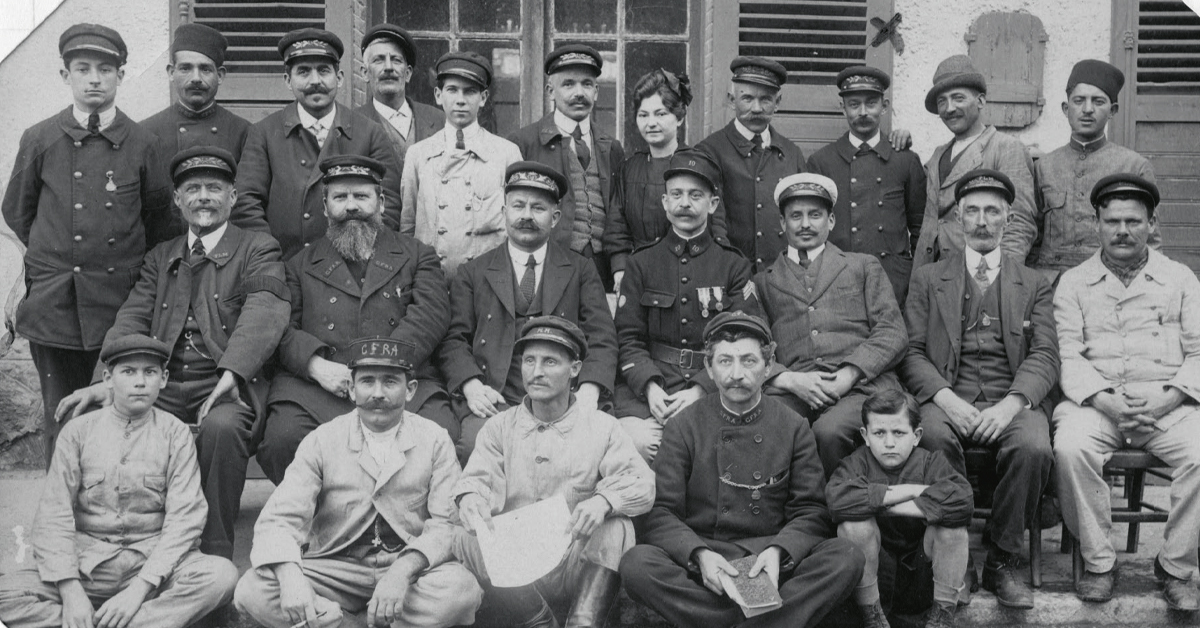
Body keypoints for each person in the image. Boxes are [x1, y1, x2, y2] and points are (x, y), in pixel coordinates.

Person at [56, 146, 290, 559]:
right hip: (161, 383)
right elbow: (131, 318)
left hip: (224, 384)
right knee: (89, 417)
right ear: (178, 201)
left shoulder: (258, 248)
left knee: (221, 427)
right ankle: (109, 548)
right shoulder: (161, 256)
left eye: (214, 189)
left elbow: (265, 312)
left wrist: (232, 374)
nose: (204, 197)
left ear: (232, 198)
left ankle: (213, 554)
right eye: (193, 189)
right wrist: (104, 382)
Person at [620, 310, 865, 628]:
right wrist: (700, 556)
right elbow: (663, 513)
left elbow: (811, 511)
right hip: (706, 561)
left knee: (846, 556)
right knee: (637, 564)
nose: (737, 374)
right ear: (708, 367)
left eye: (749, 361)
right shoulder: (684, 426)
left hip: (769, 559)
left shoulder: (793, 426)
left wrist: (779, 552)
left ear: (768, 365)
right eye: (724, 361)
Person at [2, 23, 171, 468]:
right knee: (61, 412)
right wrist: (57, 258)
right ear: (65, 76)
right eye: (83, 69)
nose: (94, 78)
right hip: (54, 305)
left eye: (105, 69)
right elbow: (18, 212)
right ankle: (63, 516)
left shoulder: (143, 143)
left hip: (119, 305)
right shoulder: (40, 139)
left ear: (121, 75)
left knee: (121, 411)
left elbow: (156, 219)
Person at [235, 337, 483, 628]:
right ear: (351, 389)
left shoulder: (434, 439)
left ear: (410, 390)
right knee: (253, 589)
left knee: (462, 590)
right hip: (335, 569)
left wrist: (403, 571)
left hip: (406, 569)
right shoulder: (323, 439)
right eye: (367, 382)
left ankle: (335, 621)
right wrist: (291, 578)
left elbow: (447, 524)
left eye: (390, 382)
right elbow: (280, 520)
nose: (377, 393)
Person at [0, 335, 237, 628]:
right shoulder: (77, 432)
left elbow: (185, 519)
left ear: (163, 379)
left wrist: (140, 588)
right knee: (6, 592)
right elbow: (53, 515)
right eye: (129, 372)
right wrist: (70, 590)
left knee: (221, 576)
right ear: (108, 378)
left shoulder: (175, 434)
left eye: (150, 372)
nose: (140, 382)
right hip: (89, 565)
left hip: (152, 564)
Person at [900, 169, 1058, 609]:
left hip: (1008, 400)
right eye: (972, 211)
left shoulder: (1034, 283)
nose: (982, 221)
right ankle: (958, 557)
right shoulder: (930, 279)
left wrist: (1009, 407)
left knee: (1033, 446)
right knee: (929, 436)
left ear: (1008, 219)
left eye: (992, 211)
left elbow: (1045, 355)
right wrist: (946, 400)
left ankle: (1003, 559)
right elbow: (911, 352)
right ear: (957, 220)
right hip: (947, 395)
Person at [257, 155, 453, 484]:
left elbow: (430, 316)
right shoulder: (298, 263)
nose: (351, 207)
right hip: (322, 387)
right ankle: (318, 523)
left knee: (441, 431)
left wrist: (382, 370)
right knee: (282, 439)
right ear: (324, 206)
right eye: (340, 197)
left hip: (400, 379)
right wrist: (316, 366)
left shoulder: (418, 255)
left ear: (381, 202)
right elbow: (282, 327)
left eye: (361, 197)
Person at [1053, 174, 1200, 611]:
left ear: (1152, 224)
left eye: (1133, 221)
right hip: (1098, 403)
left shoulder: (1180, 278)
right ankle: (1100, 562)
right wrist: (1109, 404)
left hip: (1167, 403)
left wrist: (1170, 397)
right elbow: (1070, 356)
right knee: (1070, 448)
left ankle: (1175, 567)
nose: (1122, 230)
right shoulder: (1074, 282)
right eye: (1112, 220)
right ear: (1096, 223)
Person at [453, 316, 654, 628]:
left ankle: (583, 621)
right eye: (529, 360)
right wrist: (471, 499)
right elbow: (478, 480)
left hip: (574, 559)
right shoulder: (499, 427)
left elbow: (642, 484)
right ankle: (537, 621)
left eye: (550, 362)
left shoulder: (600, 426)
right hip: (515, 567)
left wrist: (604, 502)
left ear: (574, 369)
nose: (536, 372)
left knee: (618, 524)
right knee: (465, 531)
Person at [439, 161, 617, 460]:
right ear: (503, 211)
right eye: (518, 206)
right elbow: (453, 338)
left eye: (538, 208)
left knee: (583, 454)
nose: (526, 216)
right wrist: (470, 385)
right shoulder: (473, 272)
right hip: (494, 396)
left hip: (565, 398)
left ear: (555, 216)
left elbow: (602, 336)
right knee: (477, 448)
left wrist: (589, 390)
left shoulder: (580, 269)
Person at [613, 147, 760, 463]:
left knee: (715, 446)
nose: (684, 203)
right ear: (664, 203)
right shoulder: (641, 264)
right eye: (676, 194)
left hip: (715, 386)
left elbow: (745, 340)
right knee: (639, 442)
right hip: (651, 389)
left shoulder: (732, 266)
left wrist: (700, 389)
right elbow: (628, 338)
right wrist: (650, 387)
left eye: (695, 195)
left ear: (713, 204)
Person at [755, 173, 908, 477]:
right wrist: (790, 380)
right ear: (783, 225)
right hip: (796, 391)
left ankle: (837, 514)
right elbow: (755, 348)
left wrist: (849, 375)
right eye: (795, 216)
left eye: (815, 215)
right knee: (762, 426)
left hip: (863, 388)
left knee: (830, 431)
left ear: (832, 221)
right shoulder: (764, 281)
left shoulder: (862, 266)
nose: (806, 224)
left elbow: (892, 332)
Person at [231, 28, 403, 259]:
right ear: (287, 80)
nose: (315, 81)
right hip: (286, 267)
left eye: (324, 71)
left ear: (339, 78)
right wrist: (270, 259)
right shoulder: (264, 133)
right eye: (303, 72)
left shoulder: (370, 133)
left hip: (352, 269)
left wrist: (363, 255)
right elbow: (245, 204)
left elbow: (389, 205)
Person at [827, 390, 974, 628]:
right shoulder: (856, 462)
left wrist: (884, 505)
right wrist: (914, 491)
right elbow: (836, 500)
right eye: (879, 433)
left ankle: (942, 618)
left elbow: (963, 501)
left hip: (922, 572)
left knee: (952, 529)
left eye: (898, 432)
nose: (889, 443)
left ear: (916, 436)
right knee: (853, 525)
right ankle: (872, 617)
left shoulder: (931, 462)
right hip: (874, 573)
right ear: (865, 435)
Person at [806, 65, 926, 304]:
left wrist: (915, 280)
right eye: (854, 104)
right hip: (837, 282)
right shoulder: (822, 162)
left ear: (885, 106)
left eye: (871, 103)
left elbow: (920, 229)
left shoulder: (905, 159)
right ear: (843, 108)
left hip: (894, 283)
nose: (863, 112)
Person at [510, 44, 626, 288]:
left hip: (601, 270)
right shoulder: (524, 144)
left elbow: (618, 212)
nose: (579, 93)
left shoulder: (610, 147)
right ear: (550, 91)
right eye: (568, 84)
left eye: (586, 84)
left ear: (596, 91)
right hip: (547, 269)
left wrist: (619, 267)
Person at [1030, 59, 1157, 274]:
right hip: (1051, 288)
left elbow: (1151, 242)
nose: (1087, 109)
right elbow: (1032, 237)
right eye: (1079, 101)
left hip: (1111, 282)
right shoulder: (1043, 167)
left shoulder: (1134, 166)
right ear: (1065, 108)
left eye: (1098, 101)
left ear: (1113, 110)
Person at [401, 51, 522, 276]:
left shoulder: (506, 153)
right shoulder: (418, 155)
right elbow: (408, 229)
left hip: (488, 283)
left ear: (483, 98)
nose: (460, 100)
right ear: (438, 95)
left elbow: (516, 228)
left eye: (470, 91)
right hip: (432, 284)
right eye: (452, 90)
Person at [605, 69, 727, 288]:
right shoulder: (629, 169)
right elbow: (617, 227)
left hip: (690, 273)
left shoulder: (699, 165)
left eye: (661, 114)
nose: (651, 123)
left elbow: (716, 226)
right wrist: (620, 268)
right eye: (644, 115)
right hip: (638, 275)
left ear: (679, 118)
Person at [912, 55, 1036, 270]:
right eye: (942, 101)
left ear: (980, 101)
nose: (949, 108)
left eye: (958, 98)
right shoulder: (937, 155)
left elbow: (1019, 226)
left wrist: (999, 281)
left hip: (979, 275)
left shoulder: (1006, 148)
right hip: (930, 277)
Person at [140, 23, 251, 238]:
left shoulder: (243, 132)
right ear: (171, 72)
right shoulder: (145, 133)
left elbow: (247, 207)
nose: (196, 78)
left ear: (220, 75)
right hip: (163, 257)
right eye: (185, 68)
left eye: (205, 69)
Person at [697, 56, 805, 271]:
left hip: (784, 276)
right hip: (731, 275)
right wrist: (732, 273)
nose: (756, 108)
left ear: (778, 102)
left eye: (765, 99)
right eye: (747, 98)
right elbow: (712, 223)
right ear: (731, 99)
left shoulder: (792, 153)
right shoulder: (710, 151)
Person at [353, 23, 444, 172]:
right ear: (364, 73)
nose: (388, 67)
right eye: (379, 60)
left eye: (396, 60)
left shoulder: (438, 120)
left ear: (407, 73)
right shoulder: (352, 124)